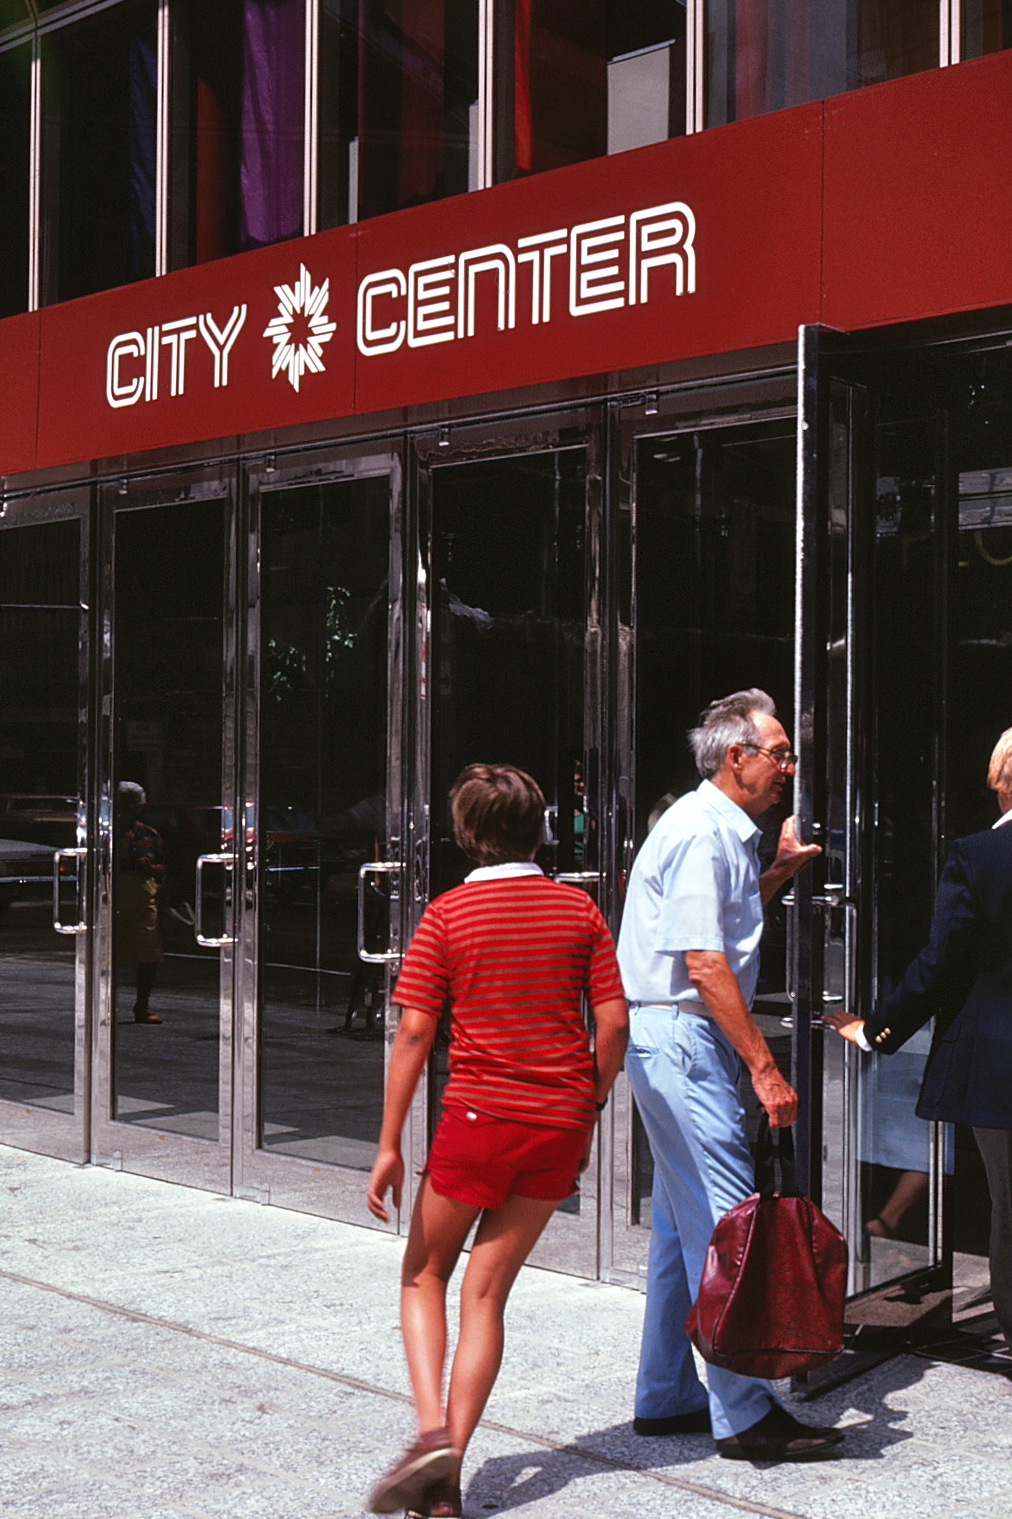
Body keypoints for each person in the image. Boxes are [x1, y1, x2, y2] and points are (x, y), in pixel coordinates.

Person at [366, 763, 628, 1518]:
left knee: (423, 1275)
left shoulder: (446, 915)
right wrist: (589, 1104)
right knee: (487, 1293)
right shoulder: (578, 911)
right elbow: (611, 1023)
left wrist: (388, 1142)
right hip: (557, 1122)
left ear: (465, 832)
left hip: (479, 1118)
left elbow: (415, 1031)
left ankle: (432, 1444)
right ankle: (445, 1473)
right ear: (541, 826)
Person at [618, 689, 846, 1461]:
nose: (789, 767)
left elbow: (714, 929)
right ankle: (744, 1412)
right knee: (729, 1224)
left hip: (672, 1034)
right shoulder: (701, 833)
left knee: (684, 1227)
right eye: (779, 752)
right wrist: (764, 1066)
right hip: (685, 1036)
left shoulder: (716, 831)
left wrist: (776, 869)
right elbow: (704, 960)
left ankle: (666, 1392)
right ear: (735, 756)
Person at [827, 724, 1012, 1354]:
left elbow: (941, 964)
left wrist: (875, 1030)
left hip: (999, 1064)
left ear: (998, 780)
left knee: (1009, 1208)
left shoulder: (978, 858)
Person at [115, 781, 165, 1025]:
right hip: (114, 897)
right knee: (109, 954)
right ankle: (103, 1004)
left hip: (144, 898)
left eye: (136, 802)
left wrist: (152, 868)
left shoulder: (150, 833)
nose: (132, 807)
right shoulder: (107, 834)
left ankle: (142, 1005)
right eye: (126, 802)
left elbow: (165, 867)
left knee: (149, 953)